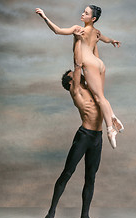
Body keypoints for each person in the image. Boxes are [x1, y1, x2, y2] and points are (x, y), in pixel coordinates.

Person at [35, 5, 124, 149]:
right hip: (100, 63)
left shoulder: (78, 29)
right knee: (101, 97)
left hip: (89, 64)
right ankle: (112, 118)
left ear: (93, 18)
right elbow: (105, 38)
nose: (82, 14)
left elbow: (57, 30)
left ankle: (110, 130)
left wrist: (45, 17)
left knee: (99, 98)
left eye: (86, 13)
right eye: (84, 11)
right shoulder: (96, 32)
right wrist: (113, 40)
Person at [42, 35, 104, 218]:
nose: (81, 76)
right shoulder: (75, 91)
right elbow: (78, 63)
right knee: (67, 173)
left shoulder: (92, 89)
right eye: (75, 76)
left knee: (91, 177)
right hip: (84, 137)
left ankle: (84, 216)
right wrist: (77, 40)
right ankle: (51, 213)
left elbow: (95, 65)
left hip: (98, 137)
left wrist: (95, 42)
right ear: (70, 83)